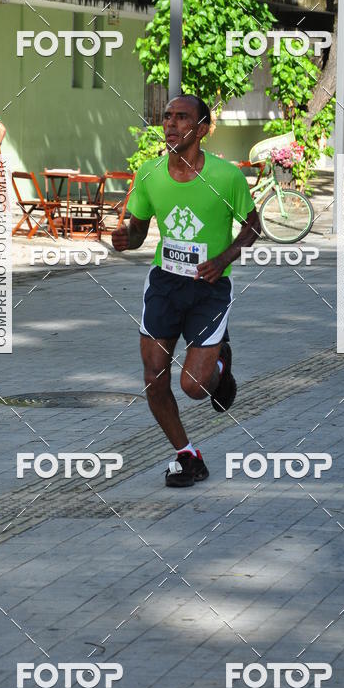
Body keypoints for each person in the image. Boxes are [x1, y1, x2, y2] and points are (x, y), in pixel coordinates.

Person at [112, 94, 261, 488]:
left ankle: (219, 368)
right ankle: (187, 455)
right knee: (154, 378)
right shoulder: (149, 173)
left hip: (209, 287)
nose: (172, 125)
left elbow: (253, 226)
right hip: (164, 284)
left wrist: (224, 258)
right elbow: (141, 231)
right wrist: (127, 238)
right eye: (167, 117)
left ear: (202, 128)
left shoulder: (226, 177)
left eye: (182, 118)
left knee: (193, 387)